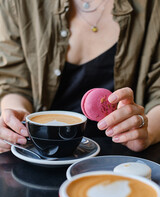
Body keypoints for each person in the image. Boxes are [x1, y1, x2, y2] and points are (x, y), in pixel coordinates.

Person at [0, 0, 160, 153]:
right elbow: (14, 83)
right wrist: (16, 118)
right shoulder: (19, 3)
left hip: (121, 158)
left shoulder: (152, 7)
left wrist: (148, 132)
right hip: (38, 151)